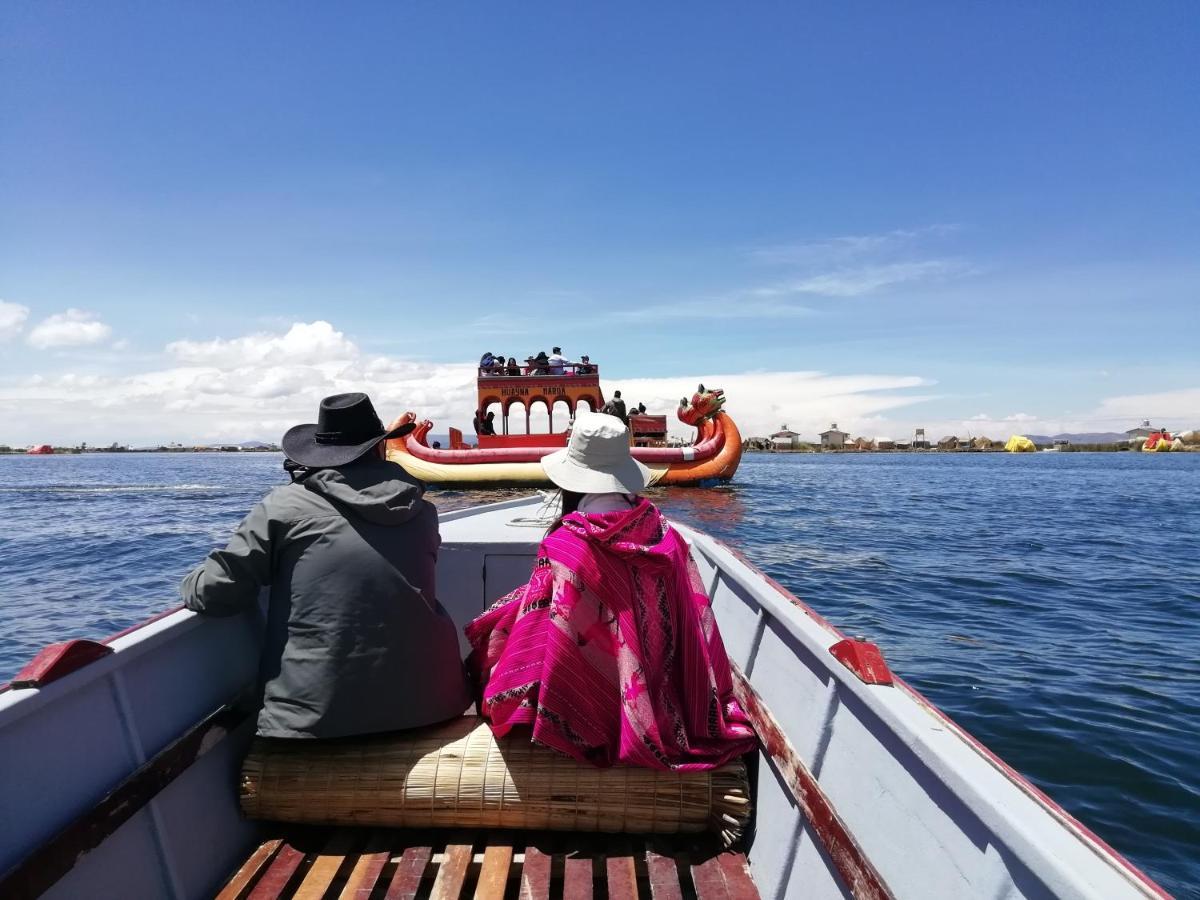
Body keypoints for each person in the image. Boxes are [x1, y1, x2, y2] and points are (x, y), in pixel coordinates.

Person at [465, 413, 756, 769]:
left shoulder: (565, 544)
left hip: (588, 697)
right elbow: (693, 622)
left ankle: (578, 718)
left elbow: (543, 630)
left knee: (501, 634)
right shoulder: (668, 536)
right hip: (669, 696)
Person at [181, 392, 472, 739]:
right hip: (434, 706)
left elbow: (214, 594)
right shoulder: (422, 511)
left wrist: (190, 580)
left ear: (318, 456)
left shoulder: (285, 506)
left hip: (314, 722)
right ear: (380, 448)